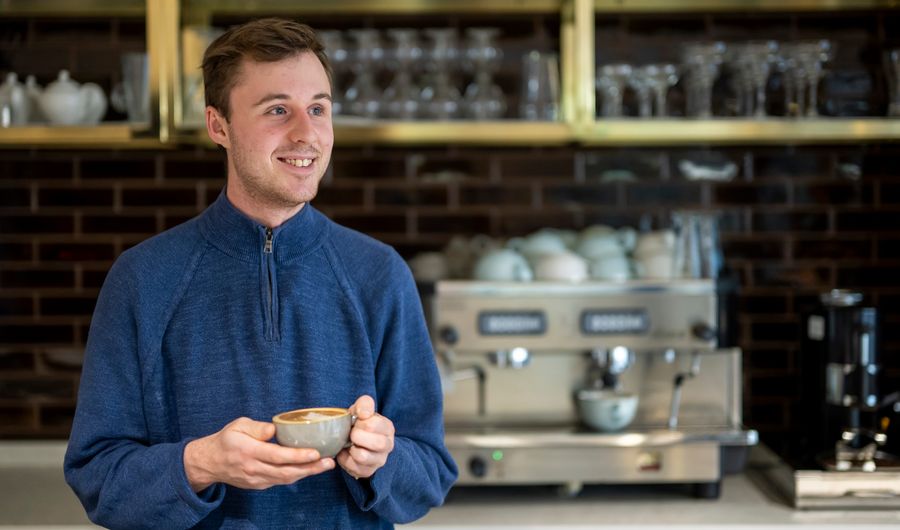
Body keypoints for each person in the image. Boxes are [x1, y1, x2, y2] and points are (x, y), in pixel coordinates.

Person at [64, 18, 457, 529]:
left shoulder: (379, 274)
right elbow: (98, 481)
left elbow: (429, 475)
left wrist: (381, 461)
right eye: (278, 110)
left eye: (318, 108)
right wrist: (200, 464)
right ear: (218, 126)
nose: (307, 134)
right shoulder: (142, 278)